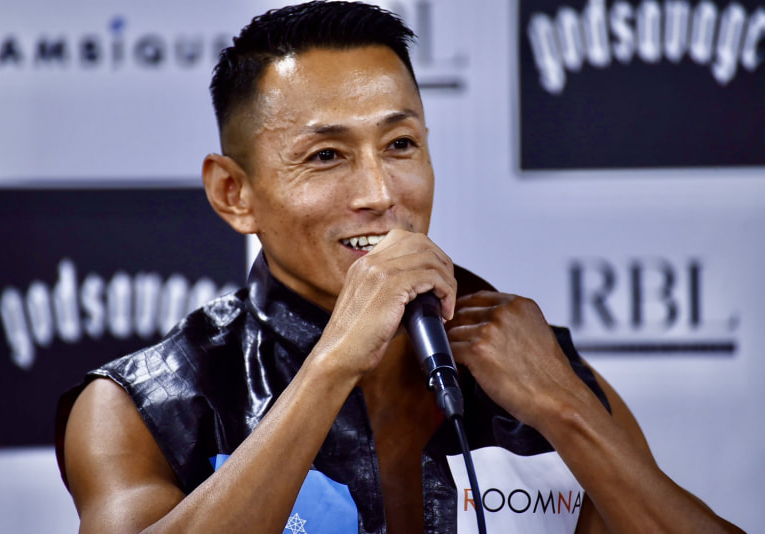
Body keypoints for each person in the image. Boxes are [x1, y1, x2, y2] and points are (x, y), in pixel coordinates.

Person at [55, 2, 743, 533]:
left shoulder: (538, 365)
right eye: (327, 156)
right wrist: (333, 364)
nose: (380, 193)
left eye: (401, 144)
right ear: (235, 193)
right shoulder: (142, 404)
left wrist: (566, 408)